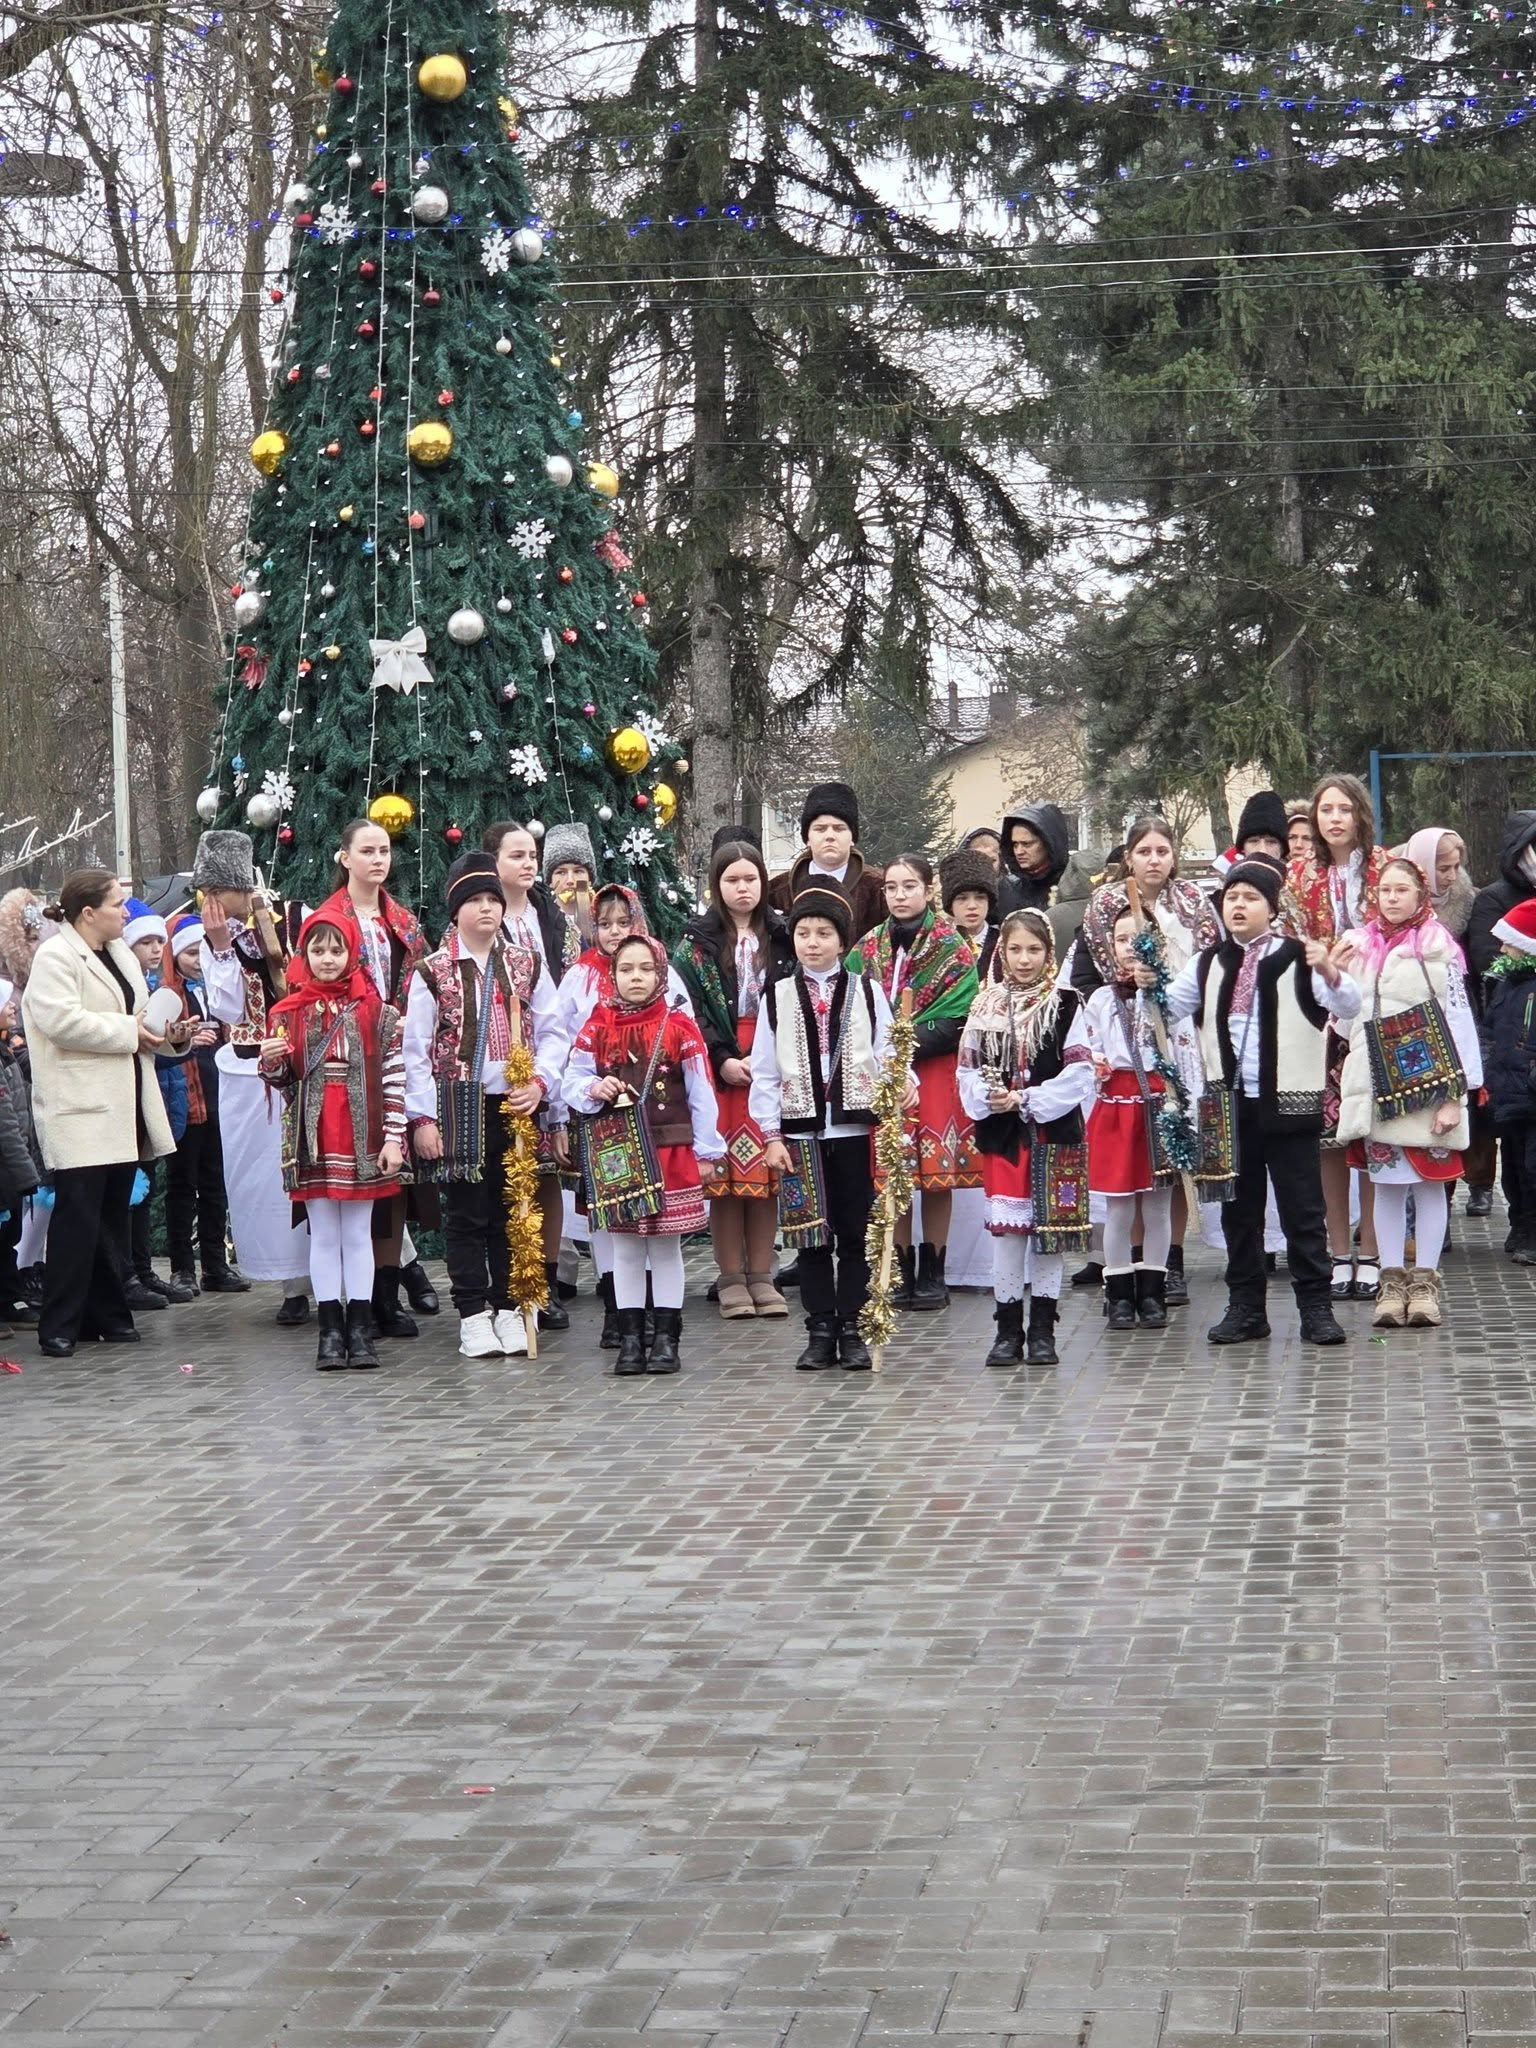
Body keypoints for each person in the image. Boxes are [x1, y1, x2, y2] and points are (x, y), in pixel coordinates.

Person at [1148, 854, 1358, 1348]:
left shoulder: (1298, 957)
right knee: (1238, 1212)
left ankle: (1316, 1308)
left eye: (1250, 897)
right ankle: (1245, 1307)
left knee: (1303, 1211)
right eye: (1231, 897)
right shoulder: (1207, 962)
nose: (1238, 905)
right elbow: (1165, 1011)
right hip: (1228, 1110)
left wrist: (1330, 970)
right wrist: (1146, 983)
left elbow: (1349, 1005)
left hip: (1290, 1106)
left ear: (1272, 908)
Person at [404, 852, 562, 1360]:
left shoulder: (524, 963)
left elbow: (554, 1030)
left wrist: (540, 1082)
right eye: (475, 900)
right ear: (456, 910)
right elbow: (415, 1051)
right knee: (468, 1213)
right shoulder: (433, 971)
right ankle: (472, 1313)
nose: (487, 908)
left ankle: (510, 1307)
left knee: (511, 1208)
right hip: (459, 1104)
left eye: (493, 899)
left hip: (514, 1105)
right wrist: (422, 1118)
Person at [751, 886, 909, 1371]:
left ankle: (854, 1328)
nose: (813, 942)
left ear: (842, 941)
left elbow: (889, 1053)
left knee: (856, 1232)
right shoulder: (777, 997)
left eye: (823, 933)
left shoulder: (867, 992)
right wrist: (771, 1135)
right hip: (800, 1137)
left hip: (854, 1132)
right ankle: (820, 1329)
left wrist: (904, 1083)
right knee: (809, 1236)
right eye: (803, 933)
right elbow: (765, 1072)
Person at [22, 869, 175, 1357]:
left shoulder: (120, 954)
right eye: (116, 904)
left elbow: (141, 1018)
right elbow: (62, 1021)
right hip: (79, 1106)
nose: (125, 912)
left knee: (111, 1215)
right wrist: (131, 1032)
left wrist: (170, 1033)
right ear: (88, 913)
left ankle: (105, 1314)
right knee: (78, 1217)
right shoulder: (55, 956)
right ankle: (59, 1322)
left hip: (123, 1103)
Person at [1073, 817, 1218, 1306]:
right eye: (1144, 851)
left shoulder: (1192, 904)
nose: (1154, 860)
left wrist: (1164, 990)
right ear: (1129, 856)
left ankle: (1166, 1265)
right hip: (1120, 1061)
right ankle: (1125, 1273)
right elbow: (1088, 977)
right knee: (1123, 1189)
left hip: (1173, 1042)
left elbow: (1207, 970)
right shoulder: (1103, 907)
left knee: (1164, 1181)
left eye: (1162, 851)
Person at [564, 934, 725, 1373]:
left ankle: (667, 1340)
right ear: (612, 975)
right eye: (626, 969)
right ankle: (631, 1340)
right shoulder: (597, 1026)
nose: (636, 977)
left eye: (646, 969)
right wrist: (594, 1087)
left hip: (670, 1149)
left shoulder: (679, 1027)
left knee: (666, 1247)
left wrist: (707, 1149)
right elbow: (572, 1079)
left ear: (660, 974)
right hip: (618, 1155)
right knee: (626, 1248)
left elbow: (701, 1091)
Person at [1334, 857, 1481, 1331]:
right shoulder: (1359, 946)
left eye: (1402, 890)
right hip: (1378, 1089)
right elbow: (1344, 1021)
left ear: (1420, 895)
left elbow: (1459, 1020)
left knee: (1430, 1184)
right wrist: (1333, 979)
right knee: (1388, 1185)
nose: (1392, 898)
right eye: (1385, 890)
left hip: (1428, 1086)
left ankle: (1424, 1285)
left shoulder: (1439, 948)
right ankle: (1391, 1283)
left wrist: (1456, 1094)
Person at [259, 912, 407, 1369]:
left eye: (337, 950)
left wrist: (394, 1137)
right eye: (318, 950)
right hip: (314, 1133)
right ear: (304, 954)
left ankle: (360, 1329)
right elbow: (285, 1082)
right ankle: (329, 1331)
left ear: (352, 953)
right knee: (323, 1234)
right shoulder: (287, 1012)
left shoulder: (378, 1013)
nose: (327, 959)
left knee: (358, 1233)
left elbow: (394, 1077)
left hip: (365, 1132)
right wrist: (271, 1062)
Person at [550, 882, 694, 1347]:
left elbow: (690, 1054)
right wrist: (564, 1112)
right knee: (612, 1218)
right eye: (605, 924)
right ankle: (618, 1311)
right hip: (601, 1122)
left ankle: (657, 1314)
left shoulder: (664, 978)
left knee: (659, 1223)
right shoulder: (580, 977)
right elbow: (564, 1048)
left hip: (660, 1122)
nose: (614, 932)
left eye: (623, 922)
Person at [310, 818, 433, 1337]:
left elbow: (422, 980)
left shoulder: (400, 920)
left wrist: (409, 1022)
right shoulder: (328, 919)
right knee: (353, 1180)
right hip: (347, 1055)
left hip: (396, 1048)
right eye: (367, 850)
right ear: (345, 858)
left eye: (384, 850)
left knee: (395, 1173)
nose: (378, 859)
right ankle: (347, 1304)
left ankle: (385, 1291)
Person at [956, 909, 1093, 1365]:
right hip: (1006, 1139)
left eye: (1034, 949)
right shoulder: (985, 1005)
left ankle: (1043, 1331)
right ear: (1002, 952)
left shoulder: (1066, 1003)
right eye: (1015, 949)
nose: (1024, 959)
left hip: (1054, 1137)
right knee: (1009, 1235)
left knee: (1050, 1233)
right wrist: (989, 1097)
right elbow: (966, 1071)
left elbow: (1080, 1072)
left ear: (1049, 952)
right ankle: (1007, 1330)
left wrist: (1029, 1099)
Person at [848, 853, 980, 1311]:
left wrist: (903, 1042)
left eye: (909, 887)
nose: (899, 895)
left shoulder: (952, 947)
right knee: (894, 1170)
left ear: (928, 889)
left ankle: (934, 1270)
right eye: (891, 887)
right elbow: (852, 1007)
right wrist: (883, 1051)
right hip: (885, 1074)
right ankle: (900, 1266)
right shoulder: (867, 948)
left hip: (934, 1069)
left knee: (937, 1173)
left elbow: (960, 1015)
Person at [671, 838, 793, 1319]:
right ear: (716, 886)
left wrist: (769, 1061)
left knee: (764, 1175)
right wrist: (721, 1057)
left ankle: (762, 1273)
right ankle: (729, 1277)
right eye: (732, 880)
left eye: (750, 879)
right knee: (724, 1179)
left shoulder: (783, 936)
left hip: (772, 1060)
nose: (743, 888)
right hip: (718, 1064)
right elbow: (688, 1010)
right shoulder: (696, 943)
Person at [1287, 774, 1389, 1300]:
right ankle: (1336, 1249)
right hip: (1321, 1018)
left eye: (1344, 809)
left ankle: (1371, 1248)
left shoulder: (1385, 866)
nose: (1334, 819)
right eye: (1325, 809)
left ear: (1360, 814)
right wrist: (1324, 958)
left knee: (1369, 1135)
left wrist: (1362, 949)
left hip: (1375, 1012)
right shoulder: (1299, 874)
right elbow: (1289, 940)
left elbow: (1406, 926)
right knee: (1327, 1139)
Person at [197, 830, 307, 1319]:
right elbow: (225, 1008)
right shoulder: (213, 940)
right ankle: (292, 1284)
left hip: (302, 1062)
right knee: (263, 1177)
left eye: (217, 890)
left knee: (316, 1166)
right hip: (247, 1073)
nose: (210, 902)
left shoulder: (293, 917)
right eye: (205, 892)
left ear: (240, 887)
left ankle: (378, 1273)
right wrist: (222, 947)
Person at [483, 819, 580, 1330]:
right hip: (504, 1057)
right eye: (516, 855)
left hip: (553, 1050)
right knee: (509, 1170)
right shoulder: (483, 916)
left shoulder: (551, 916)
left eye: (532, 855)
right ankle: (511, 1280)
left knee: (547, 1171)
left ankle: (547, 1281)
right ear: (494, 862)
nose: (528, 864)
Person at [1074, 889, 1176, 1333]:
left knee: (1157, 1208)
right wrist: (1095, 1064)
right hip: (1116, 1108)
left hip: (1157, 1106)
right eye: (1120, 939)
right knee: (1118, 1210)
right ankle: (1118, 1292)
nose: (1130, 946)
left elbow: (1184, 1047)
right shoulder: (1100, 999)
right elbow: (1088, 1048)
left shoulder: (1170, 995)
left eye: (1138, 937)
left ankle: (1153, 1292)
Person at [115, 897, 195, 1310]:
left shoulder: (153, 989)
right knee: (127, 1193)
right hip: (124, 1104)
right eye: (145, 942)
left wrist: (175, 1039)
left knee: (144, 1189)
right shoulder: (120, 988)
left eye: (158, 942)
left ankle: (143, 1271)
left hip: (152, 1102)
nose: (154, 949)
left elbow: (158, 1055)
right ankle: (125, 1274)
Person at [1467, 811, 1536, 1243]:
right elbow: (1487, 964)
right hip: (1512, 1045)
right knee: (1515, 1146)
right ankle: (1522, 1225)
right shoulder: (1495, 898)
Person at [159, 919, 235, 1298]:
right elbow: (160, 1044)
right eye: (189, 953)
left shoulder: (216, 990)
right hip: (185, 1102)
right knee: (182, 1185)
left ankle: (216, 1266)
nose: (197, 960)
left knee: (215, 1184)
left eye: (201, 952)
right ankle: (182, 1269)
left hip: (218, 1096)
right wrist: (186, 1040)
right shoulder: (167, 995)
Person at [1480, 897, 1536, 1262]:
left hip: (1530, 1087)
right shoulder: (1506, 983)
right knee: (1513, 1165)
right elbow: (1490, 1031)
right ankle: (1520, 1223)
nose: (1501, 949)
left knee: (1534, 1165)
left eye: (1509, 941)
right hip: (1509, 1090)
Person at [767, 780, 886, 942]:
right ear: (807, 838)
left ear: (852, 837)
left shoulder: (880, 889)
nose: (830, 836)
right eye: (820, 829)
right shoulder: (777, 892)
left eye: (839, 828)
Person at [0, 975, 40, 1328]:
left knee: (9, 1235)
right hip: (6, 1168)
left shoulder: (7, 1051)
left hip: (10, 1169)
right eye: (5, 1002)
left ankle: (10, 1297)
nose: (12, 1005)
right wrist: (26, 1173)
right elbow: (5, 1124)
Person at [939, 847, 999, 983]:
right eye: (962, 898)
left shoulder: (1004, 943)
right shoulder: (936, 944)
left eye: (980, 897)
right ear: (950, 904)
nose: (972, 906)